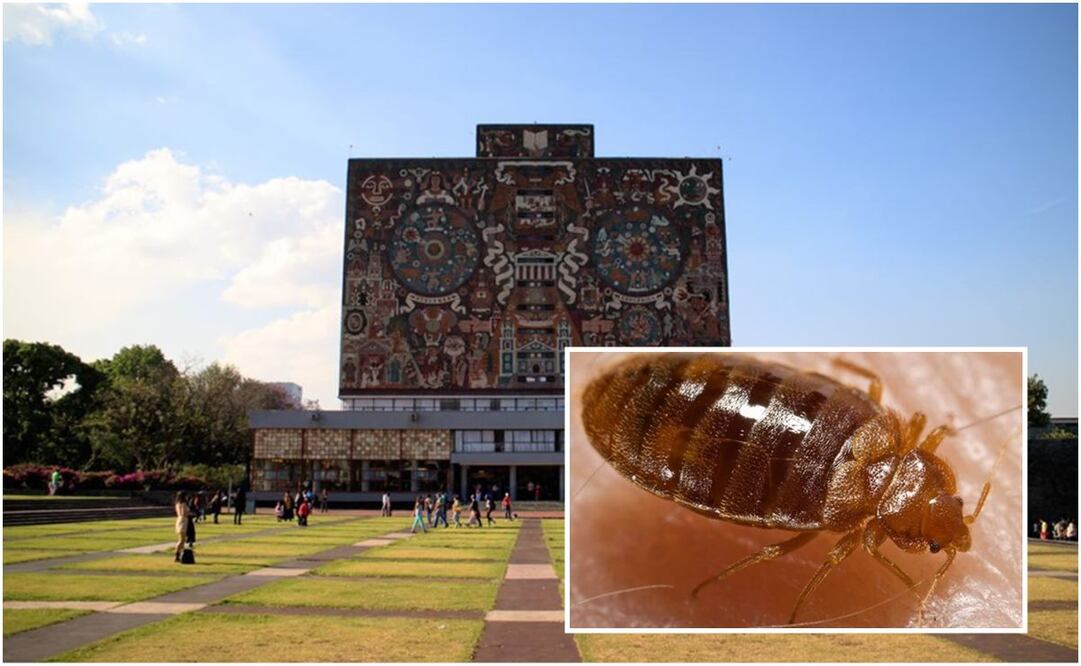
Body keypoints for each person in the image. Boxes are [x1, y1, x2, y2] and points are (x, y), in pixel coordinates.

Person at [174, 491, 191, 562]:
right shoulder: (183, 504)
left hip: (180, 520)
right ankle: (177, 554)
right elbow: (184, 513)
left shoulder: (177, 504)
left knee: (182, 540)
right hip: (183, 520)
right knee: (181, 540)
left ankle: (180, 554)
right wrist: (190, 513)